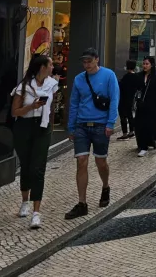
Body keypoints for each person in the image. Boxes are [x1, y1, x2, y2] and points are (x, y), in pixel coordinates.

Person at [64, 47, 120, 220]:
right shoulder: (79, 79)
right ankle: (82, 203)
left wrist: (110, 123)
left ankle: (105, 186)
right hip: (82, 125)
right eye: (84, 61)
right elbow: (74, 103)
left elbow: (114, 99)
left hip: (100, 125)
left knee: (100, 161)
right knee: (81, 161)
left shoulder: (109, 75)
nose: (86, 64)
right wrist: (71, 126)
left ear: (97, 59)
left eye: (89, 61)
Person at [11, 54, 58, 229]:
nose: (53, 67)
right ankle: (25, 201)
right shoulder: (23, 87)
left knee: (38, 168)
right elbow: (14, 112)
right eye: (51, 64)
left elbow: (52, 108)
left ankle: (36, 212)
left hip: (42, 128)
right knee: (26, 165)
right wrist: (32, 106)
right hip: (24, 127)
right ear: (42, 67)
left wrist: (50, 126)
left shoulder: (52, 85)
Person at [134, 57, 156, 157]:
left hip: (153, 104)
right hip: (141, 105)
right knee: (141, 126)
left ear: (152, 65)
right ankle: (143, 147)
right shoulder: (139, 75)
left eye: (147, 64)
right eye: (143, 64)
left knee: (154, 125)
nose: (144, 66)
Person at [117, 60, 140, 141]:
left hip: (123, 98)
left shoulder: (126, 77)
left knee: (123, 116)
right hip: (131, 98)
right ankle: (131, 131)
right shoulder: (137, 76)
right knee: (130, 115)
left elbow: (120, 87)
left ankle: (125, 133)